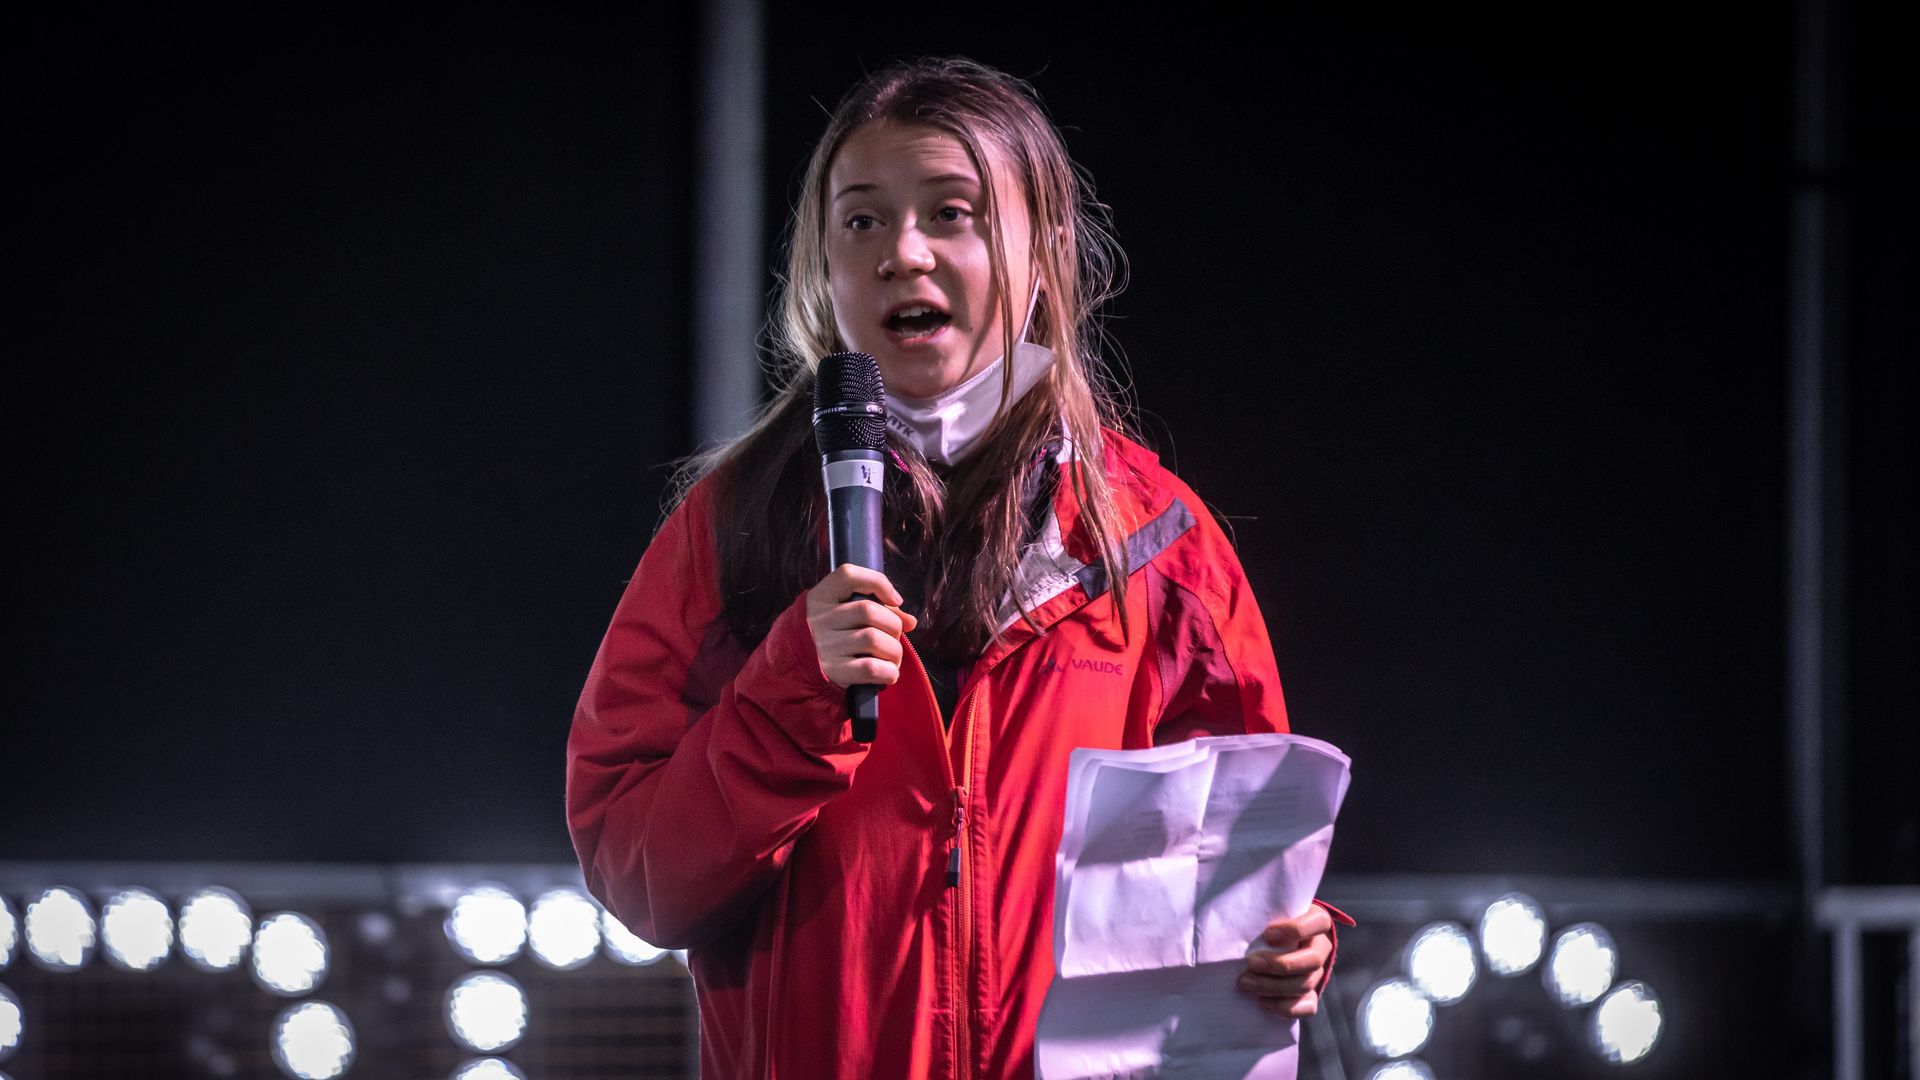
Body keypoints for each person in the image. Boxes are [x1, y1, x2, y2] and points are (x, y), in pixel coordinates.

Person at [567, 56, 1350, 1078]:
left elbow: (1243, 859)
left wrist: (1290, 944)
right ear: (823, 266)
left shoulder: (1156, 538)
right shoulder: (732, 531)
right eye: (861, 221)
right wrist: (791, 692)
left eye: (954, 214)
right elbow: (638, 876)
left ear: (1046, 254)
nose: (903, 252)